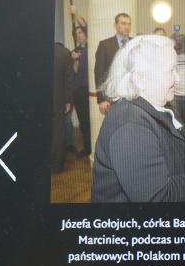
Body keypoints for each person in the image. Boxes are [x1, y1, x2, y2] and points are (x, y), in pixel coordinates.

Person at [91, 35, 185, 202]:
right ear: (140, 79)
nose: (178, 78)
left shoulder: (151, 107)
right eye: (171, 70)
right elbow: (158, 198)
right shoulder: (130, 127)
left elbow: (159, 146)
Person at [94, 13, 132, 115]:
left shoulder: (135, 43)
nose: (127, 27)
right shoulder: (105, 45)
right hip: (112, 97)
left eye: (129, 24)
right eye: (123, 23)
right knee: (115, 123)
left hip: (133, 97)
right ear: (115, 25)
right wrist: (102, 99)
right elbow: (99, 73)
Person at [51, 42, 74, 172]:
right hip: (58, 101)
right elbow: (69, 80)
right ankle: (57, 165)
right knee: (58, 133)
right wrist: (68, 100)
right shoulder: (64, 53)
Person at [70, 25, 91, 157]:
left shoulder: (92, 46)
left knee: (92, 119)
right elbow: (75, 71)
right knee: (83, 120)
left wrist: (76, 13)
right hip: (79, 90)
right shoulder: (74, 52)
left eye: (80, 32)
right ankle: (87, 147)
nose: (79, 35)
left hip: (91, 89)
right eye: (76, 34)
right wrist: (75, 60)